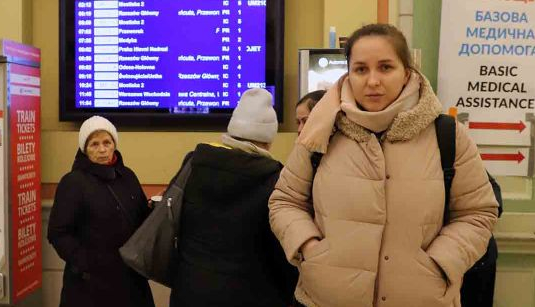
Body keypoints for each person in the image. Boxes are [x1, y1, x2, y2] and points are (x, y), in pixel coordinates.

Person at [269, 24, 499, 307]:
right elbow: (285, 201)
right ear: (349, 74)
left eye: (386, 67)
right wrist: (310, 249)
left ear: (407, 72)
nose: (373, 81)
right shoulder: (321, 130)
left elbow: (478, 212)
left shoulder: (447, 135)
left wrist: (440, 262)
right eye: (361, 69)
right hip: (326, 298)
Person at [169, 88, 298, 307]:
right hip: (251, 295)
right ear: (268, 140)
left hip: (190, 290)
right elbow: (280, 256)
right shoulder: (275, 180)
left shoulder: (194, 163)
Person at [48, 116, 154, 307]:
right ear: (84, 149)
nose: (102, 150)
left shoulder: (127, 176)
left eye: (107, 142)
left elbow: (140, 217)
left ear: (115, 144)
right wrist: (87, 263)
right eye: (94, 144)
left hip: (130, 280)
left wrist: (156, 209)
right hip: (90, 286)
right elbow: (58, 233)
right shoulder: (73, 182)